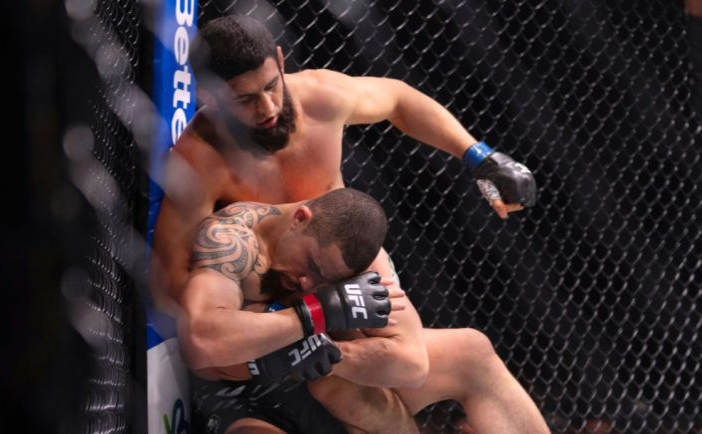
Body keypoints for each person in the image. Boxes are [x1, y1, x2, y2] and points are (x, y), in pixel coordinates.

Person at [152, 15, 547, 434]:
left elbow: (398, 99)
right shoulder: (200, 160)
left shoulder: (321, 98)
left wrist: (479, 156)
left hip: (344, 322)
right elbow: (173, 285)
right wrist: (277, 327)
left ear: (281, 62)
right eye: (244, 99)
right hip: (264, 352)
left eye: (270, 86)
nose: (267, 108)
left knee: (472, 354)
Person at [178, 188, 404, 434]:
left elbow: (414, 365)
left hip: (310, 381)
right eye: (312, 264)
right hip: (235, 393)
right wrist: (315, 314)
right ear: (299, 219)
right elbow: (199, 341)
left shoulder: (354, 260)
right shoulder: (232, 241)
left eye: (325, 281)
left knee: (372, 398)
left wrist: (328, 353)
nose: (307, 283)